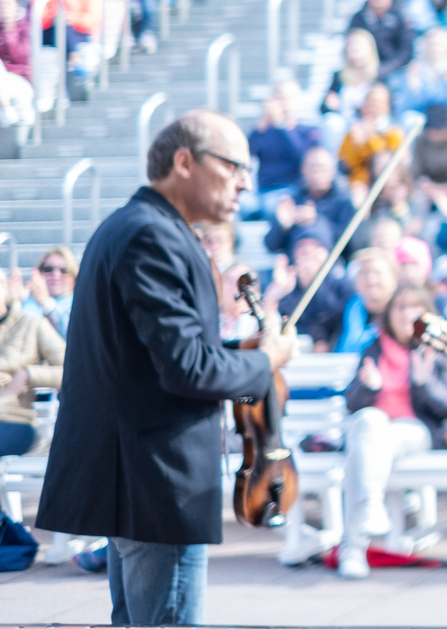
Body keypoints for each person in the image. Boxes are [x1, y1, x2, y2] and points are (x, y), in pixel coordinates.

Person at [36, 111, 297, 624]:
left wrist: (245, 351)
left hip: (136, 476)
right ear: (184, 162)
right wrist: (268, 359)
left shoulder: (130, 225)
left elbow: (155, 354)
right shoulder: (153, 236)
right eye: (233, 167)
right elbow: (188, 369)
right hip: (155, 480)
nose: (245, 183)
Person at [333, 285, 447, 578]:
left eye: (415, 307)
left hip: (414, 431)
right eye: (400, 307)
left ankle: (353, 548)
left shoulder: (438, 350)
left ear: (428, 314)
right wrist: (370, 388)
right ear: (389, 313)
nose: (407, 314)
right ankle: (370, 508)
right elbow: (352, 403)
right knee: (369, 423)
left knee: (365, 447)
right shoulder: (373, 347)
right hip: (372, 430)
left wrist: (424, 382)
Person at [0, 267, 64, 456]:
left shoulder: (31, 324)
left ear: (4, 289)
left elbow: (73, 370)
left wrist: (28, 374)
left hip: (12, 418)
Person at [333, 247, 400, 360]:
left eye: (377, 273)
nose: (370, 279)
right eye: (364, 273)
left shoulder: (402, 312)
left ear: (393, 279)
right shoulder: (350, 308)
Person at [348, 0, 415, 79]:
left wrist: (384, 69)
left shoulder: (402, 16)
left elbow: (406, 52)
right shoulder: (358, 18)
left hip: (397, 73)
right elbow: (351, 47)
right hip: (365, 73)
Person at [19, 242, 77, 336]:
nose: (55, 275)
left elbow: (71, 336)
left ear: (73, 275)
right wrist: (14, 303)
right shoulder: (28, 302)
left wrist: (47, 305)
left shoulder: (77, 304)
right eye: (48, 269)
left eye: (63, 270)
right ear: (39, 272)